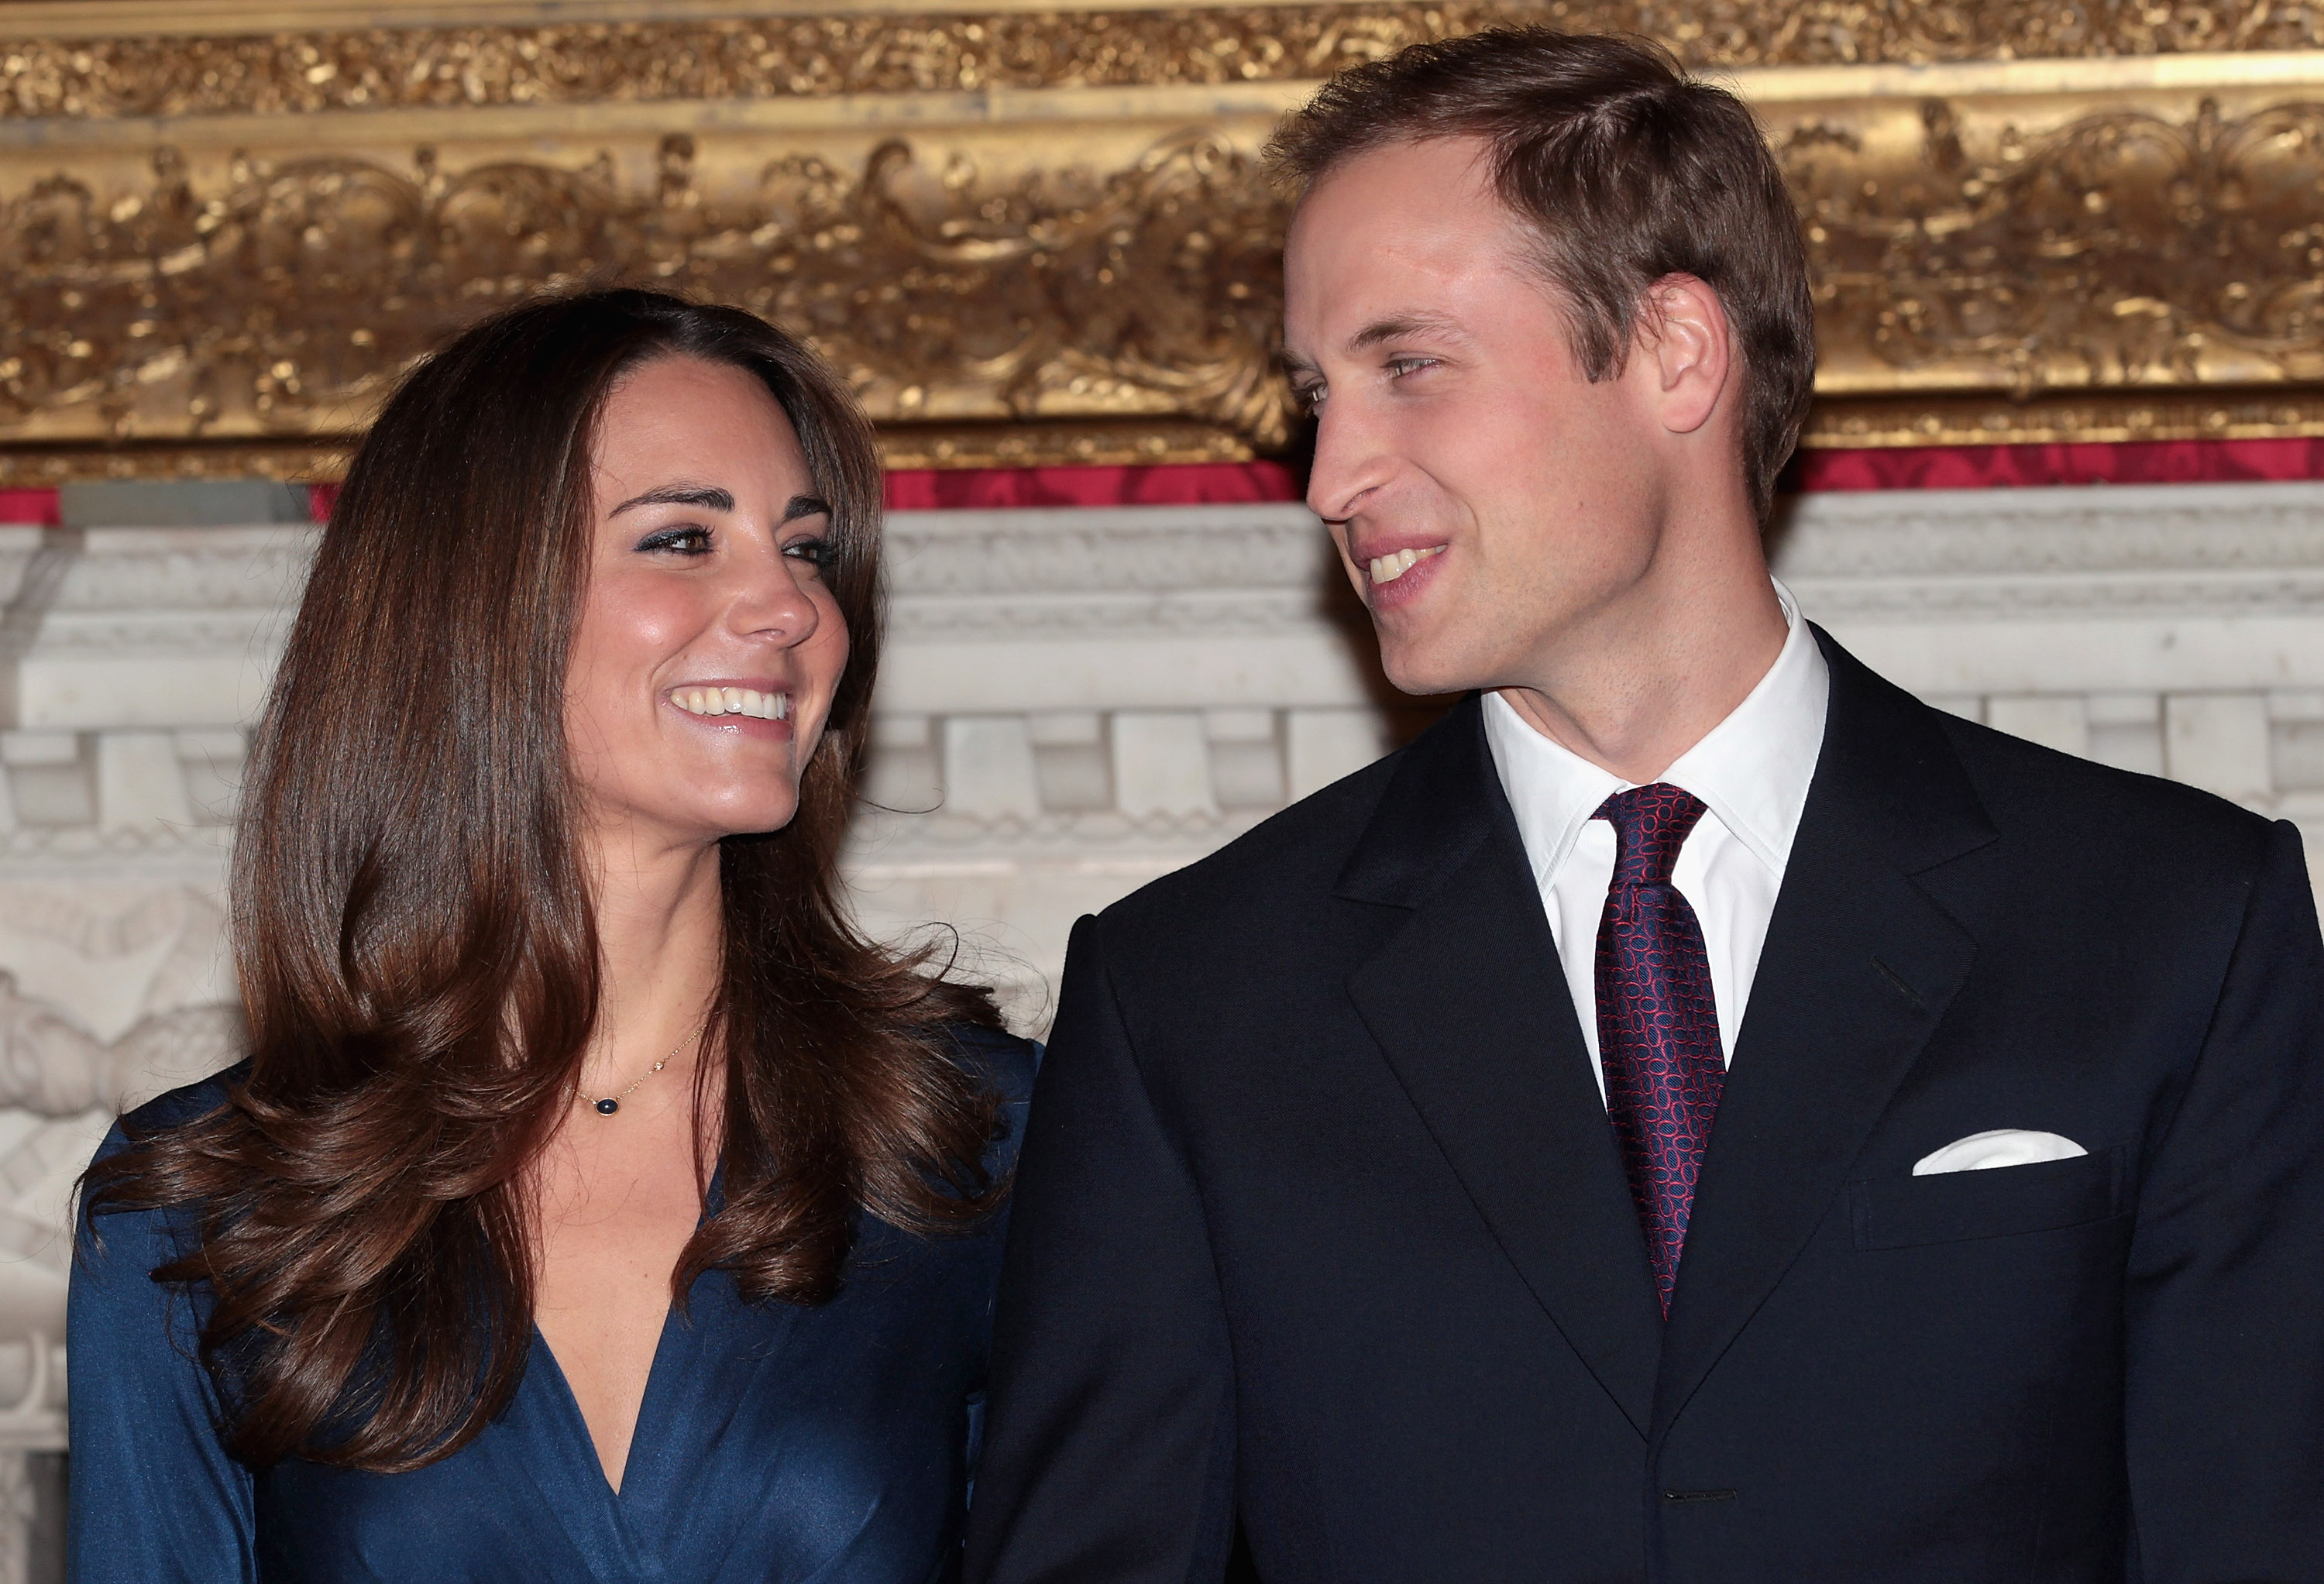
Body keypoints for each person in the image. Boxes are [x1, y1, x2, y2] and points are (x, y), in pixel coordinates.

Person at [963, 29, 2324, 1583]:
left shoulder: (2172, 927)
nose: (1333, 471)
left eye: (1409, 367)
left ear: (1677, 350)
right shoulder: (1191, 1005)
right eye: (1313, 394)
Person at [70, 289, 1035, 1582]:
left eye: (807, 549)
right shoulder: (198, 1213)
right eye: (685, 537)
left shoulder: (981, 1139)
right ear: (474, 605)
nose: (790, 606)